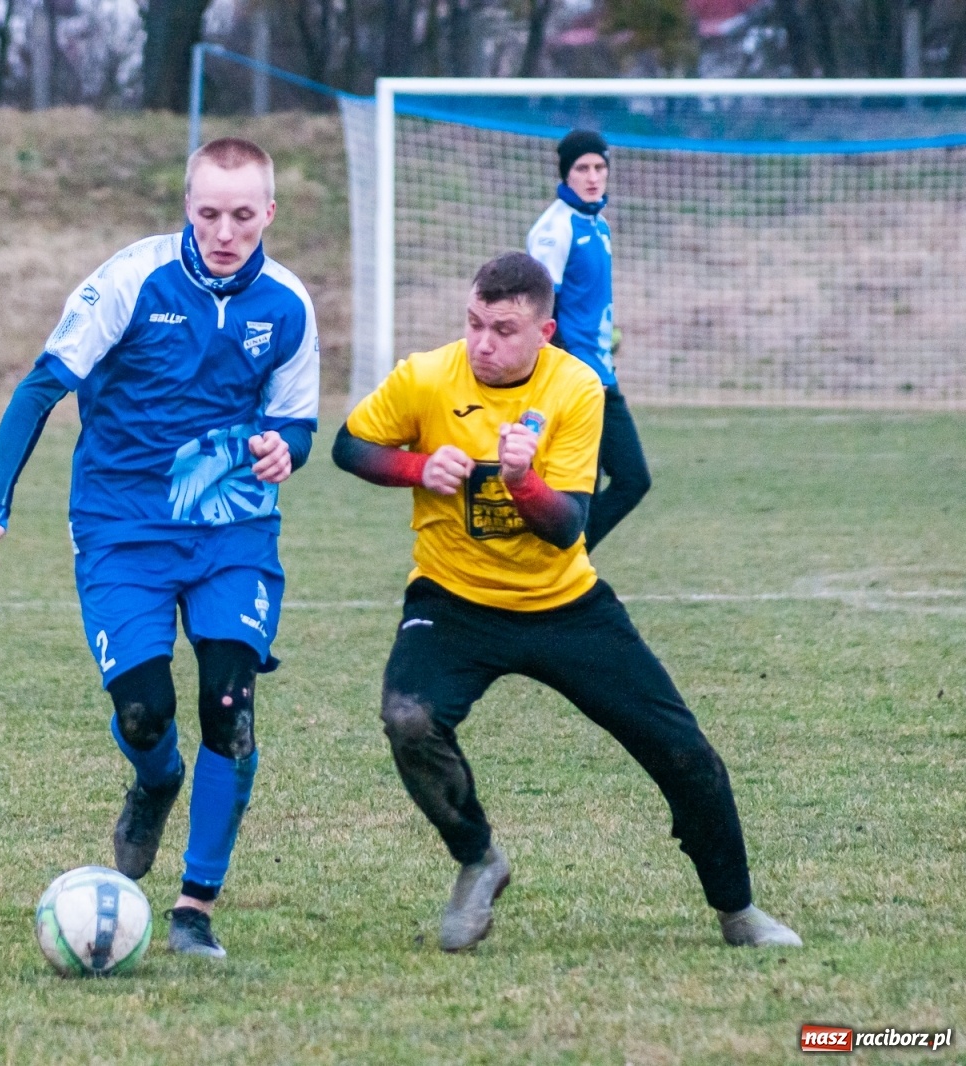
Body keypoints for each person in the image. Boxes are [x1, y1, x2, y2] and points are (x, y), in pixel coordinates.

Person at [332, 251, 799, 952]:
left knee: (684, 753)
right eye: (473, 323)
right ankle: (478, 858)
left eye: (503, 329)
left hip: (565, 604)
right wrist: (417, 467)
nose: (483, 343)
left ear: (544, 332)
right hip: (452, 601)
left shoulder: (576, 389)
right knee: (408, 718)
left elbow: (566, 529)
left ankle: (738, 911)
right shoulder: (425, 376)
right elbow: (349, 446)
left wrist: (522, 481)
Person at [0, 137, 320, 959]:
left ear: (269, 212)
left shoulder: (289, 303)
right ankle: (155, 780)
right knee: (144, 710)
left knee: (228, 703)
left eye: (241, 215)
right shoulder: (131, 279)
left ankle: (195, 906)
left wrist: (283, 451)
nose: (223, 231)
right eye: (207, 213)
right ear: (185, 207)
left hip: (229, 519)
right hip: (122, 523)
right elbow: (40, 387)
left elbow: (297, 422)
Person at [526, 129, 651, 551]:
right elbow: (543, 311)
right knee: (584, 486)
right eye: (583, 168)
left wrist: (606, 337)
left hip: (602, 374)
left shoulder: (599, 226)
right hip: (578, 378)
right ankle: (563, 568)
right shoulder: (553, 230)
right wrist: (565, 370)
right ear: (566, 173)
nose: (593, 176)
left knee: (632, 479)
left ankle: (564, 561)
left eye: (600, 167)